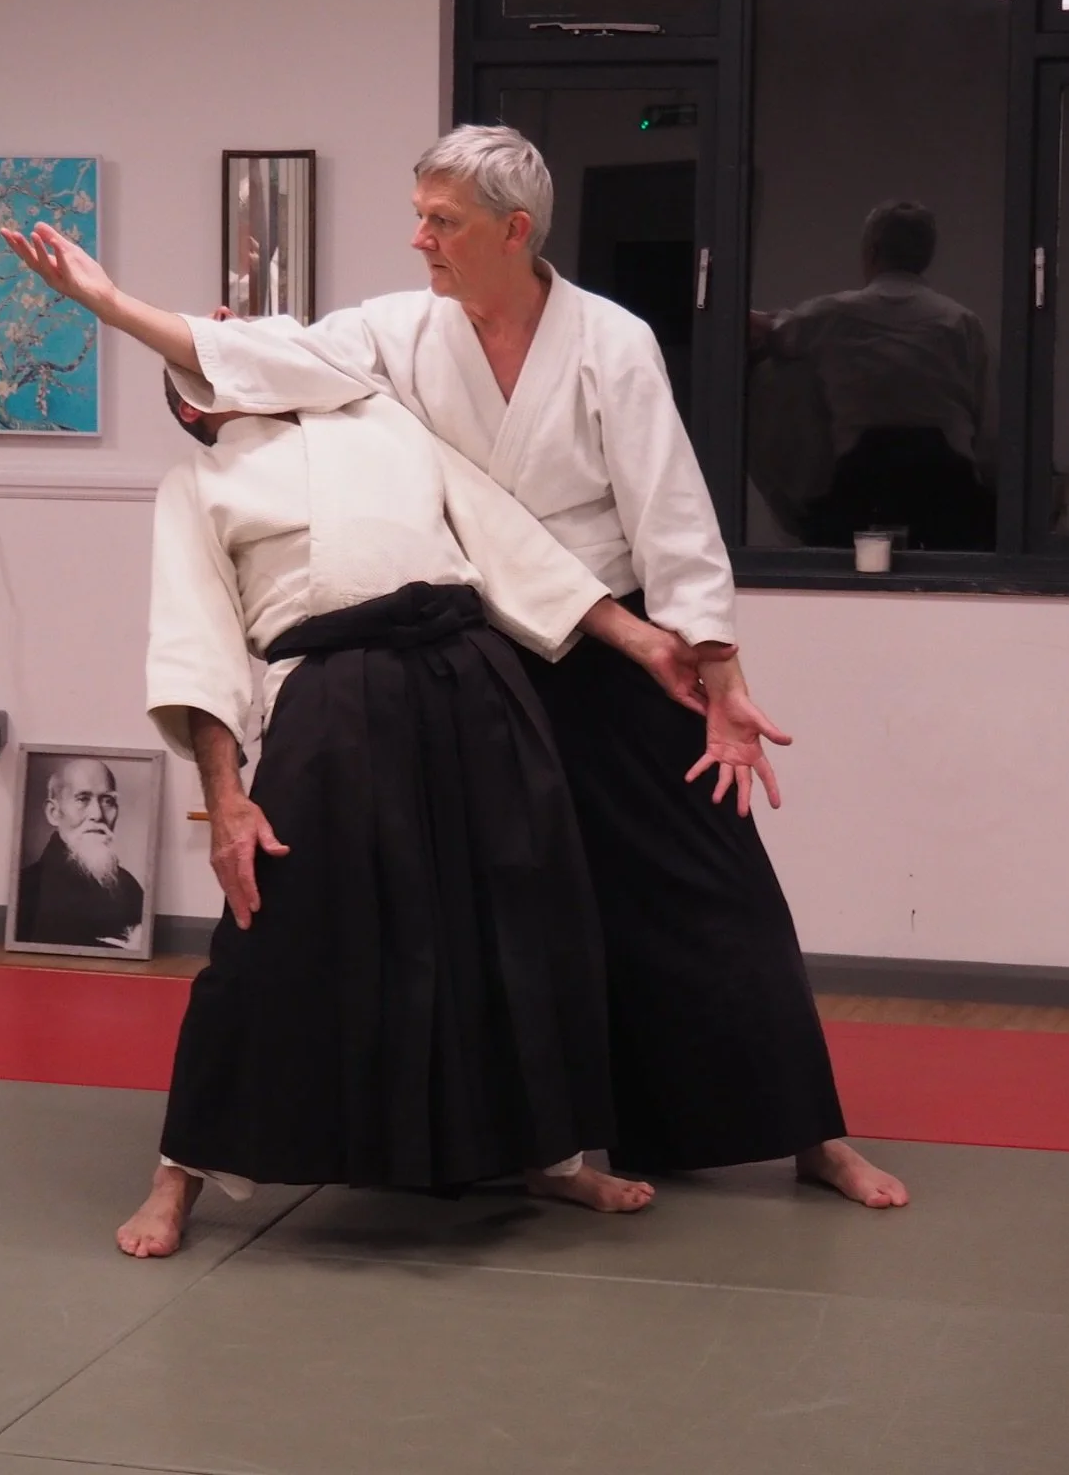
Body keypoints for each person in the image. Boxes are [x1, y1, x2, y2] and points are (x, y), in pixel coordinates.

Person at [3, 124, 907, 1208]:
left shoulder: (607, 342)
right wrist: (111, 307)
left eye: (442, 221)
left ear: (513, 232)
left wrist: (710, 670)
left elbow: (669, 513)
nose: (418, 237)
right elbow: (255, 355)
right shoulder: (390, 337)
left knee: (712, 877)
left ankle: (808, 1133)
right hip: (473, 651)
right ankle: (546, 1137)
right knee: (508, 912)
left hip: (605, 627)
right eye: (419, 214)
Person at [114, 372, 689, 1257]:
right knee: (271, 926)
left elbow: (506, 544)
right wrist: (227, 801)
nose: (234, 332)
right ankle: (178, 1170)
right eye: (207, 343)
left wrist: (645, 640)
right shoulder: (197, 486)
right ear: (194, 406)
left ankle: (552, 1152)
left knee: (521, 916)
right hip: (328, 693)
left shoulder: (381, 419)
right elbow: (196, 641)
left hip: (472, 674)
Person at [748, 200, 993, 550]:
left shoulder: (834, 314)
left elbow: (772, 332)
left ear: (872, 251)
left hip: (864, 484)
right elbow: (983, 410)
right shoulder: (962, 322)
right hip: (947, 486)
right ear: (926, 255)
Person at [14, 758, 145, 950]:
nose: (97, 814)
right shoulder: (27, 887)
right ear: (53, 812)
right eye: (83, 799)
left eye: (107, 801)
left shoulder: (129, 887)